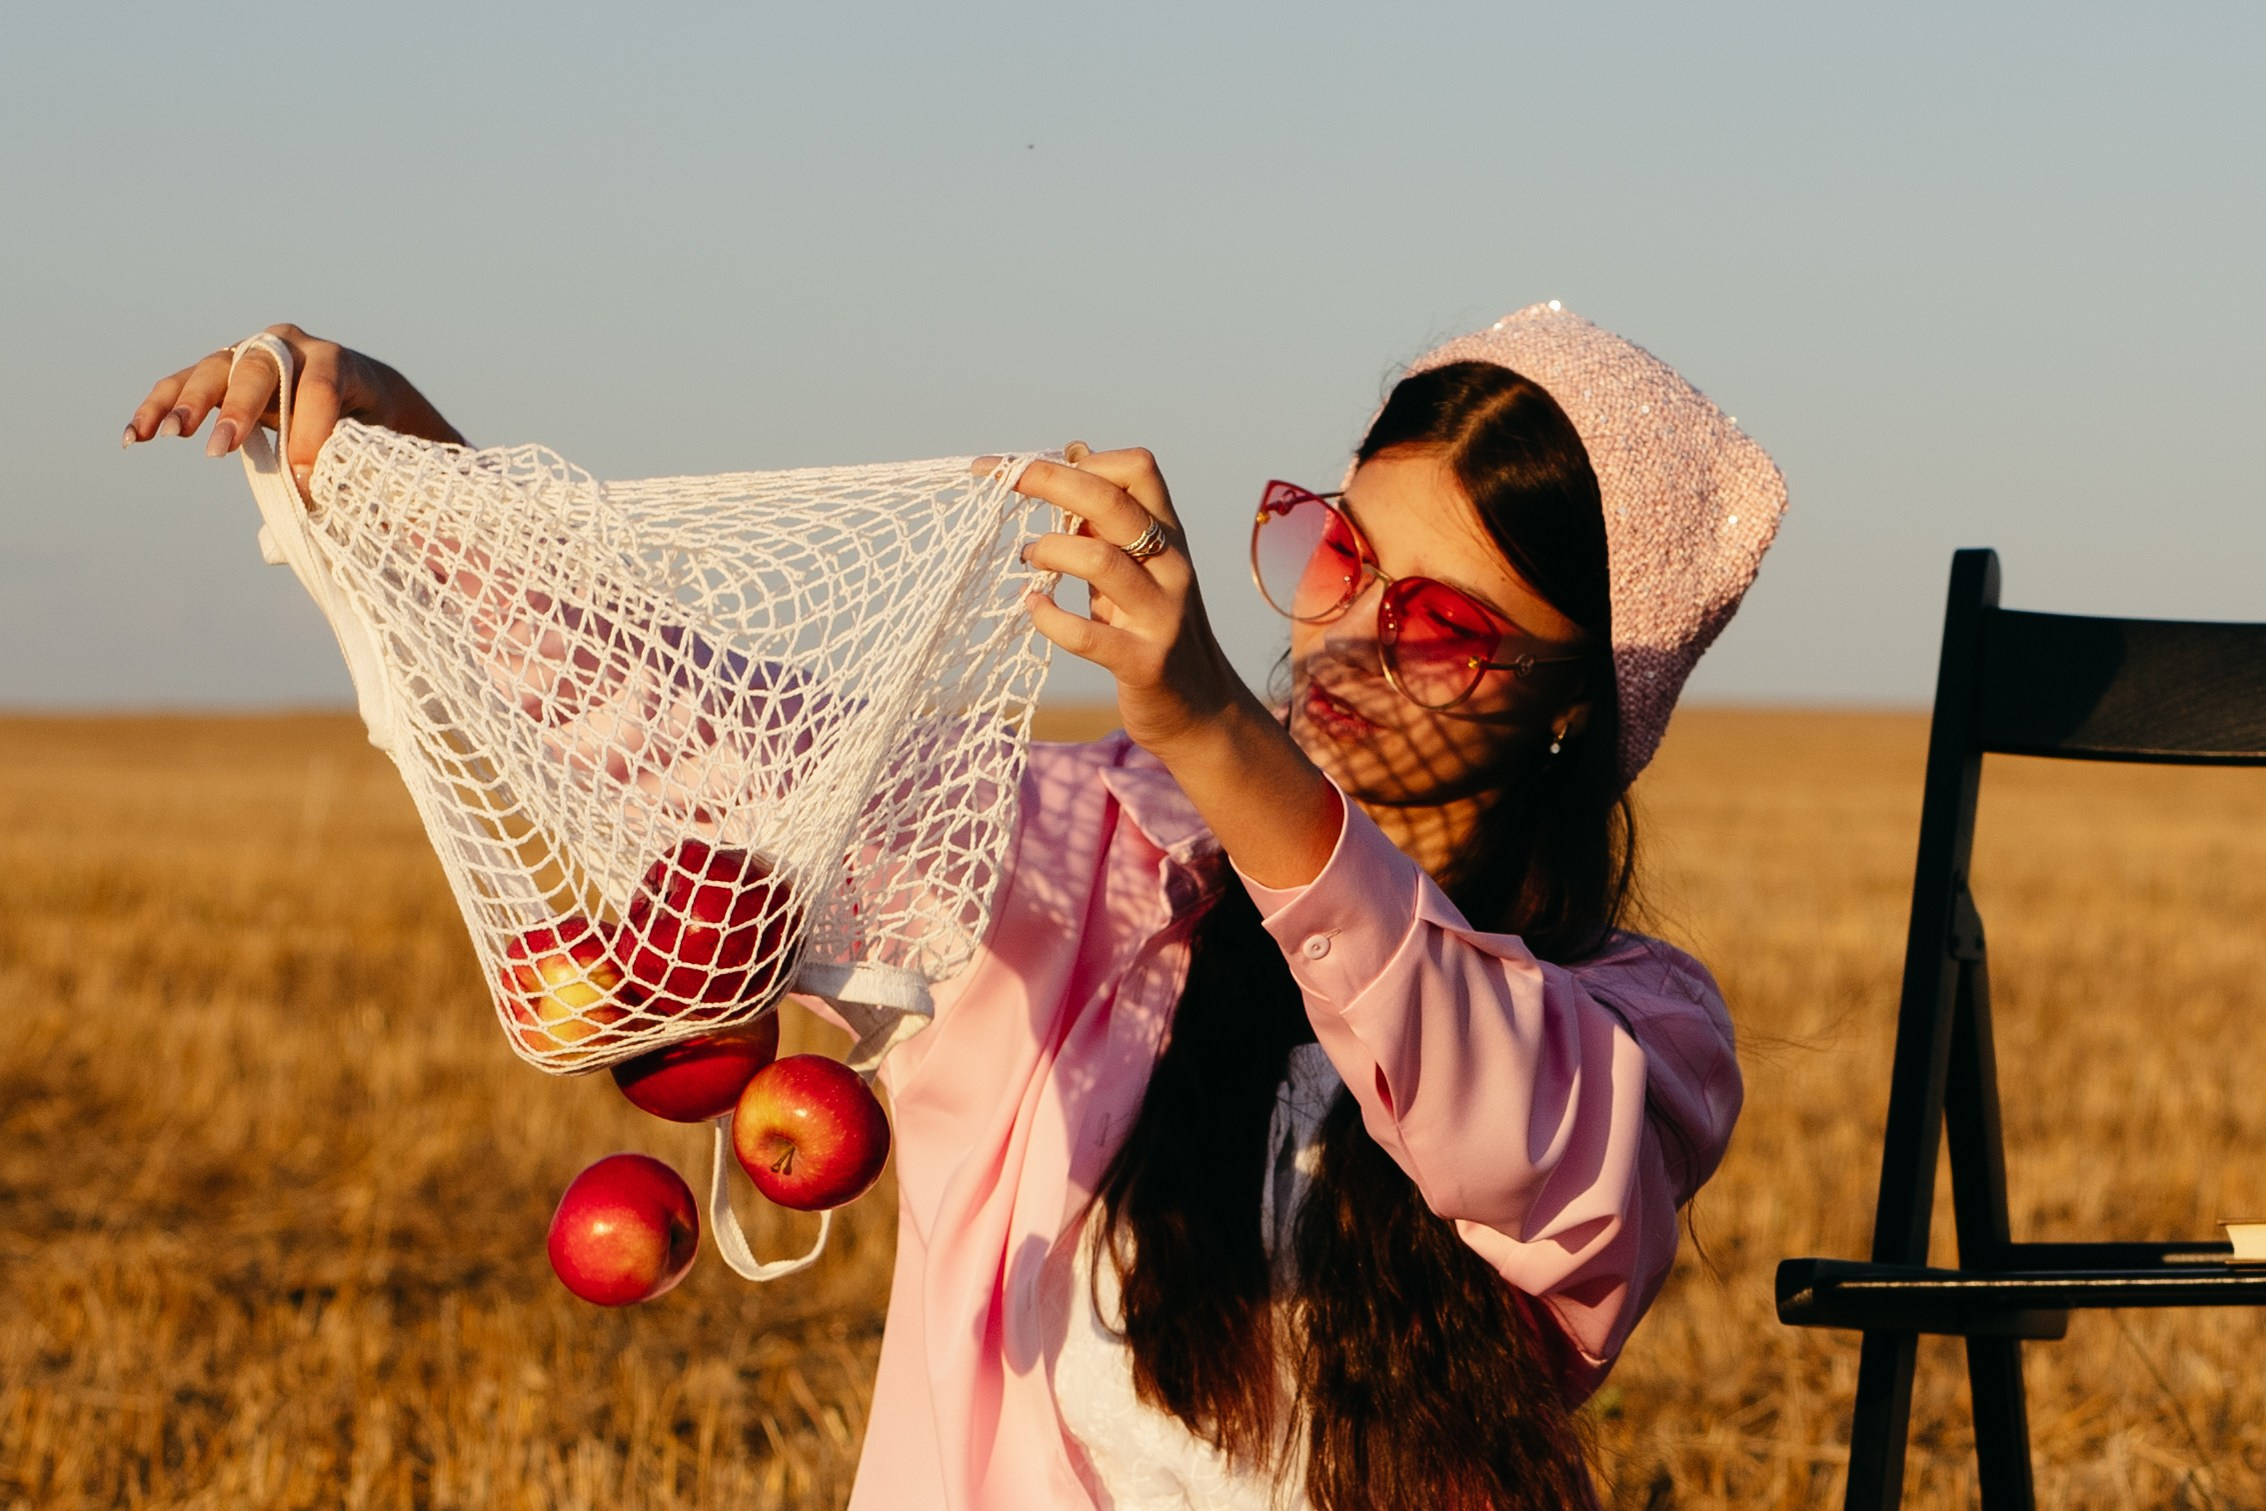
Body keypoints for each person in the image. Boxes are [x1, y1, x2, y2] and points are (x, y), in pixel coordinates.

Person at [125, 302, 1786, 1509]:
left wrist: (1214, 727)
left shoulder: (1637, 1033)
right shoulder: (1100, 866)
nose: (1343, 635)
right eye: (1336, 551)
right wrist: (413, 465)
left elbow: (1494, 1121)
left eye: (1439, 621)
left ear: (1581, 706)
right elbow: (704, 726)